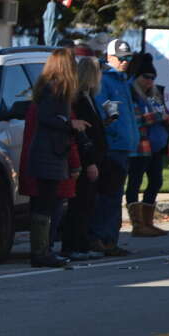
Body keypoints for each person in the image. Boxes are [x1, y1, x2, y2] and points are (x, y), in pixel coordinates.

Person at [19, 48, 89, 267]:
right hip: (48, 154)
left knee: (49, 203)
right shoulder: (53, 90)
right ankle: (41, 252)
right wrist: (71, 124)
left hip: (51, 152)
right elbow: (48, 118)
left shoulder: (49, 88)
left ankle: (44, 249)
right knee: (46, 204)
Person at [89, 38, 140, 256]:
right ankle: (102, 238)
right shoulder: (104, 80)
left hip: (124, 147)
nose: (125, 61)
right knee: (108, 195)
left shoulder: (122, 80)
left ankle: (111, 238)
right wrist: (113, 136)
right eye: (121, 58)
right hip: (111, 148)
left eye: (128, 57)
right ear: (109, 57)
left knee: (115, 195)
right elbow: (103, 115)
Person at [60, 56, 106, 261]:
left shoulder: (89, 97)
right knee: (79, 205)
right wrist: (89, 162)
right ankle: (73, 245)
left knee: (88, 204)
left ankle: (82, 244)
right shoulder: (78, 99)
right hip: (87, 159)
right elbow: (82, 135)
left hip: (95, 156)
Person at [125, 52, 169, 237]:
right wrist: (160, 117)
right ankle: (137, 224)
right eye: (146, 77)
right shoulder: (130, 92)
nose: (150, 81)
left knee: (156, 181)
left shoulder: (154, 94)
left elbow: (164, 111)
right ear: (137, 76)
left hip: (156, 145)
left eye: (153, 77)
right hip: (138, 145)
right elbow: (135, 118)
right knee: (135, 182)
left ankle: (148, 222)